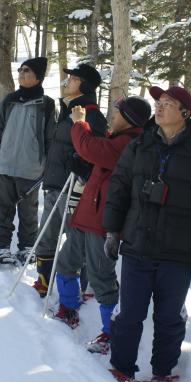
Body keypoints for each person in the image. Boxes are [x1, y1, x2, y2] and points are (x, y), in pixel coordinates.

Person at [103, 85, 191, 382]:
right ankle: (121, 369)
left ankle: (163, 373)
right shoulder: (139, 147)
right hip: (137, 245)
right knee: (129, 313)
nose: (158, 107)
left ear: (185, 114)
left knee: (169, 317)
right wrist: (111, 230)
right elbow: (118, 188)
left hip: (179, 253)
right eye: (158, 102)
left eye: (167, 104)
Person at [53, 96, 152, 356]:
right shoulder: (116, 139)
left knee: (101, 278)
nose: (112, 116)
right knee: (65, 263)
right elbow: (100, 167)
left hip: (103, 223)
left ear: (128, 118)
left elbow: (91, 149)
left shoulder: (130, 142)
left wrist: (79, 124)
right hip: (87, 215)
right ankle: (68, 307)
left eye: (117, 112)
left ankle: (111, 332)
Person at [33, 63, 107, 296]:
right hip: (55, 184)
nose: (66, 82)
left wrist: (82, 166)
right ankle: (44, 280)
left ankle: (79, 291)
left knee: (75, 243)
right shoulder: (67, 111)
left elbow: (96, 154)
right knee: (46, 235)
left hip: (74, 190)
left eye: (73, 79)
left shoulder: (92, 116)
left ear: (84, 85)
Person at [0, 57, 55, 267]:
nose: (21, 74)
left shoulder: (47, 105)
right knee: (2, 209)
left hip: (31, 169)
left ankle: (27, 247)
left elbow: (50, 139)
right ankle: (1, 246)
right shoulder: (9, 100)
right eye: (20, 70)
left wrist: (48, 167)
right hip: (5, 165)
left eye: (26, 71)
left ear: (38, 77)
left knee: (28, 212)